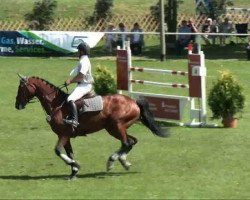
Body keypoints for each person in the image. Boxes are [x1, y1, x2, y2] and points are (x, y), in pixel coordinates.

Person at [64, 42, 94, 127]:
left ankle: (74, 120)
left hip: (85, 86)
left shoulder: (84, 61)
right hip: (82, 85)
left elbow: (81, 76)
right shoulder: (83, 60)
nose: (78, 52)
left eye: (79, 51)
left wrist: (70, 81)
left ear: (82, 51)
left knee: (70, 99)